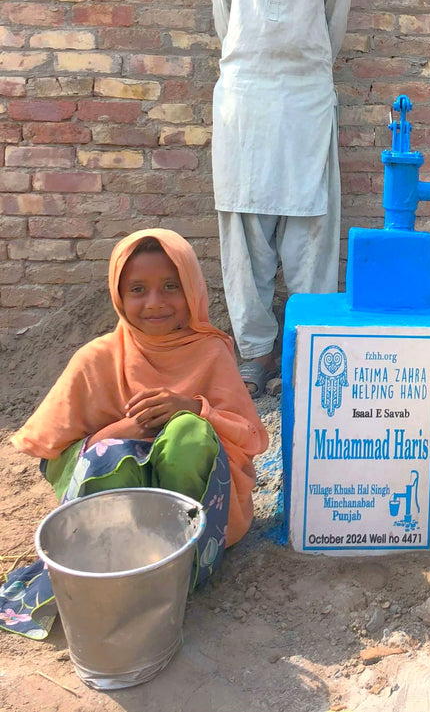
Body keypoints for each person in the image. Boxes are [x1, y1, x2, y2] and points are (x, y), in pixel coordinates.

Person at [2, 229, 269, 639]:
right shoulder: (98, 359)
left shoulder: (212, 352)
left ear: (193, 290)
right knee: (112, 454)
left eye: (170, 287)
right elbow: (53, 455)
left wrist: (195, 408)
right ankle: (120, 565)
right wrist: (123, 431)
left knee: (190, 435)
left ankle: (183, 565)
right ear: (119, 296)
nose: (155, 303)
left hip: (191, 506)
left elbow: (251, 439)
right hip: (117, 505)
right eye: (138, 289)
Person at [209, 0, 354, 396]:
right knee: (243, 227)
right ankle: (255, 356)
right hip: (243, 93)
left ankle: (305, 353)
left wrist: (302, 65)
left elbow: (332, 22)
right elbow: (226, 15)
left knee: (312, 226)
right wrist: (252, 60)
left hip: (306, 95)